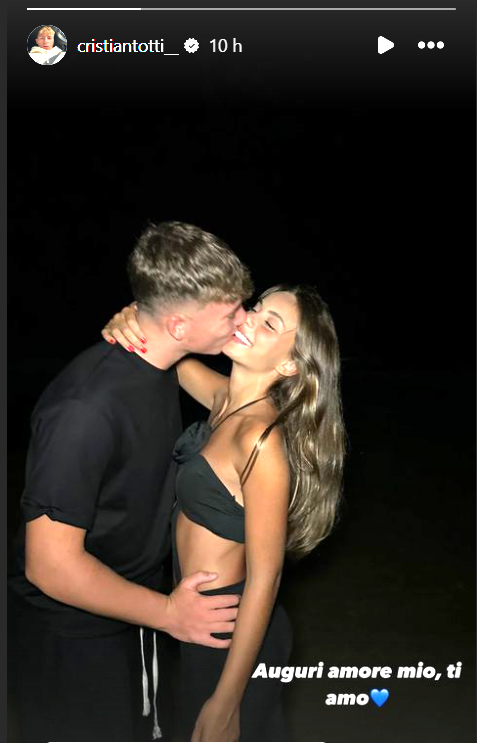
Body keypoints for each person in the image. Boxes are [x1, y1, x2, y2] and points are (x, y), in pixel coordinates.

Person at [8, 221, 254, 743]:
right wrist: (168, 613)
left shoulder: (162, 364)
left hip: (132, 618)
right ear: (179, 324)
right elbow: (49, 565)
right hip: (74, 641)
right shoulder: (83, 411)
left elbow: (233, 403)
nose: (244, 320)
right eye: (231, 312)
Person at [102, 282, 345, 741]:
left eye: (269, 323)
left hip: (233, 635)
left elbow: (266, 577)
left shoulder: (259, 439)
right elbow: (170, 353)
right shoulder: (223, 400)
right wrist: (133, 317)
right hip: (197, 622)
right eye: (256, 308)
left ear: (289, 365)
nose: (248, 319)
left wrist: (227, 700)